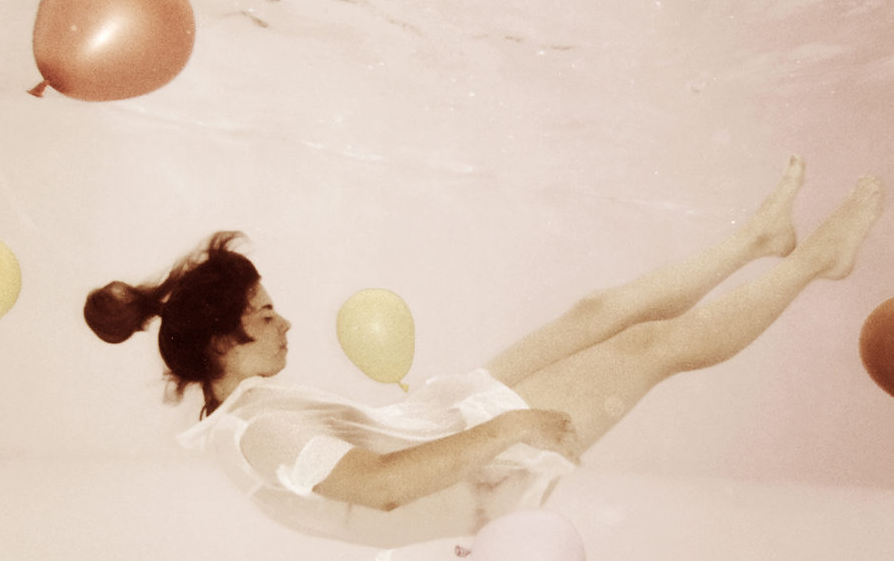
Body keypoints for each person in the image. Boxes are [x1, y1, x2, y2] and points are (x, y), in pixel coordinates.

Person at [84, 157, 883, 548]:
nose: (286, 322)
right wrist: (510, 428)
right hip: (476, 476)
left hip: (443, 422)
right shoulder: (256, 431)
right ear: (224, 340)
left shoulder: (249, 411)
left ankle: (759, 239)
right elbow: (383, 489)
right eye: (265, 313)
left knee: (598, 311)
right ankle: (818, 259)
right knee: (653, 346)